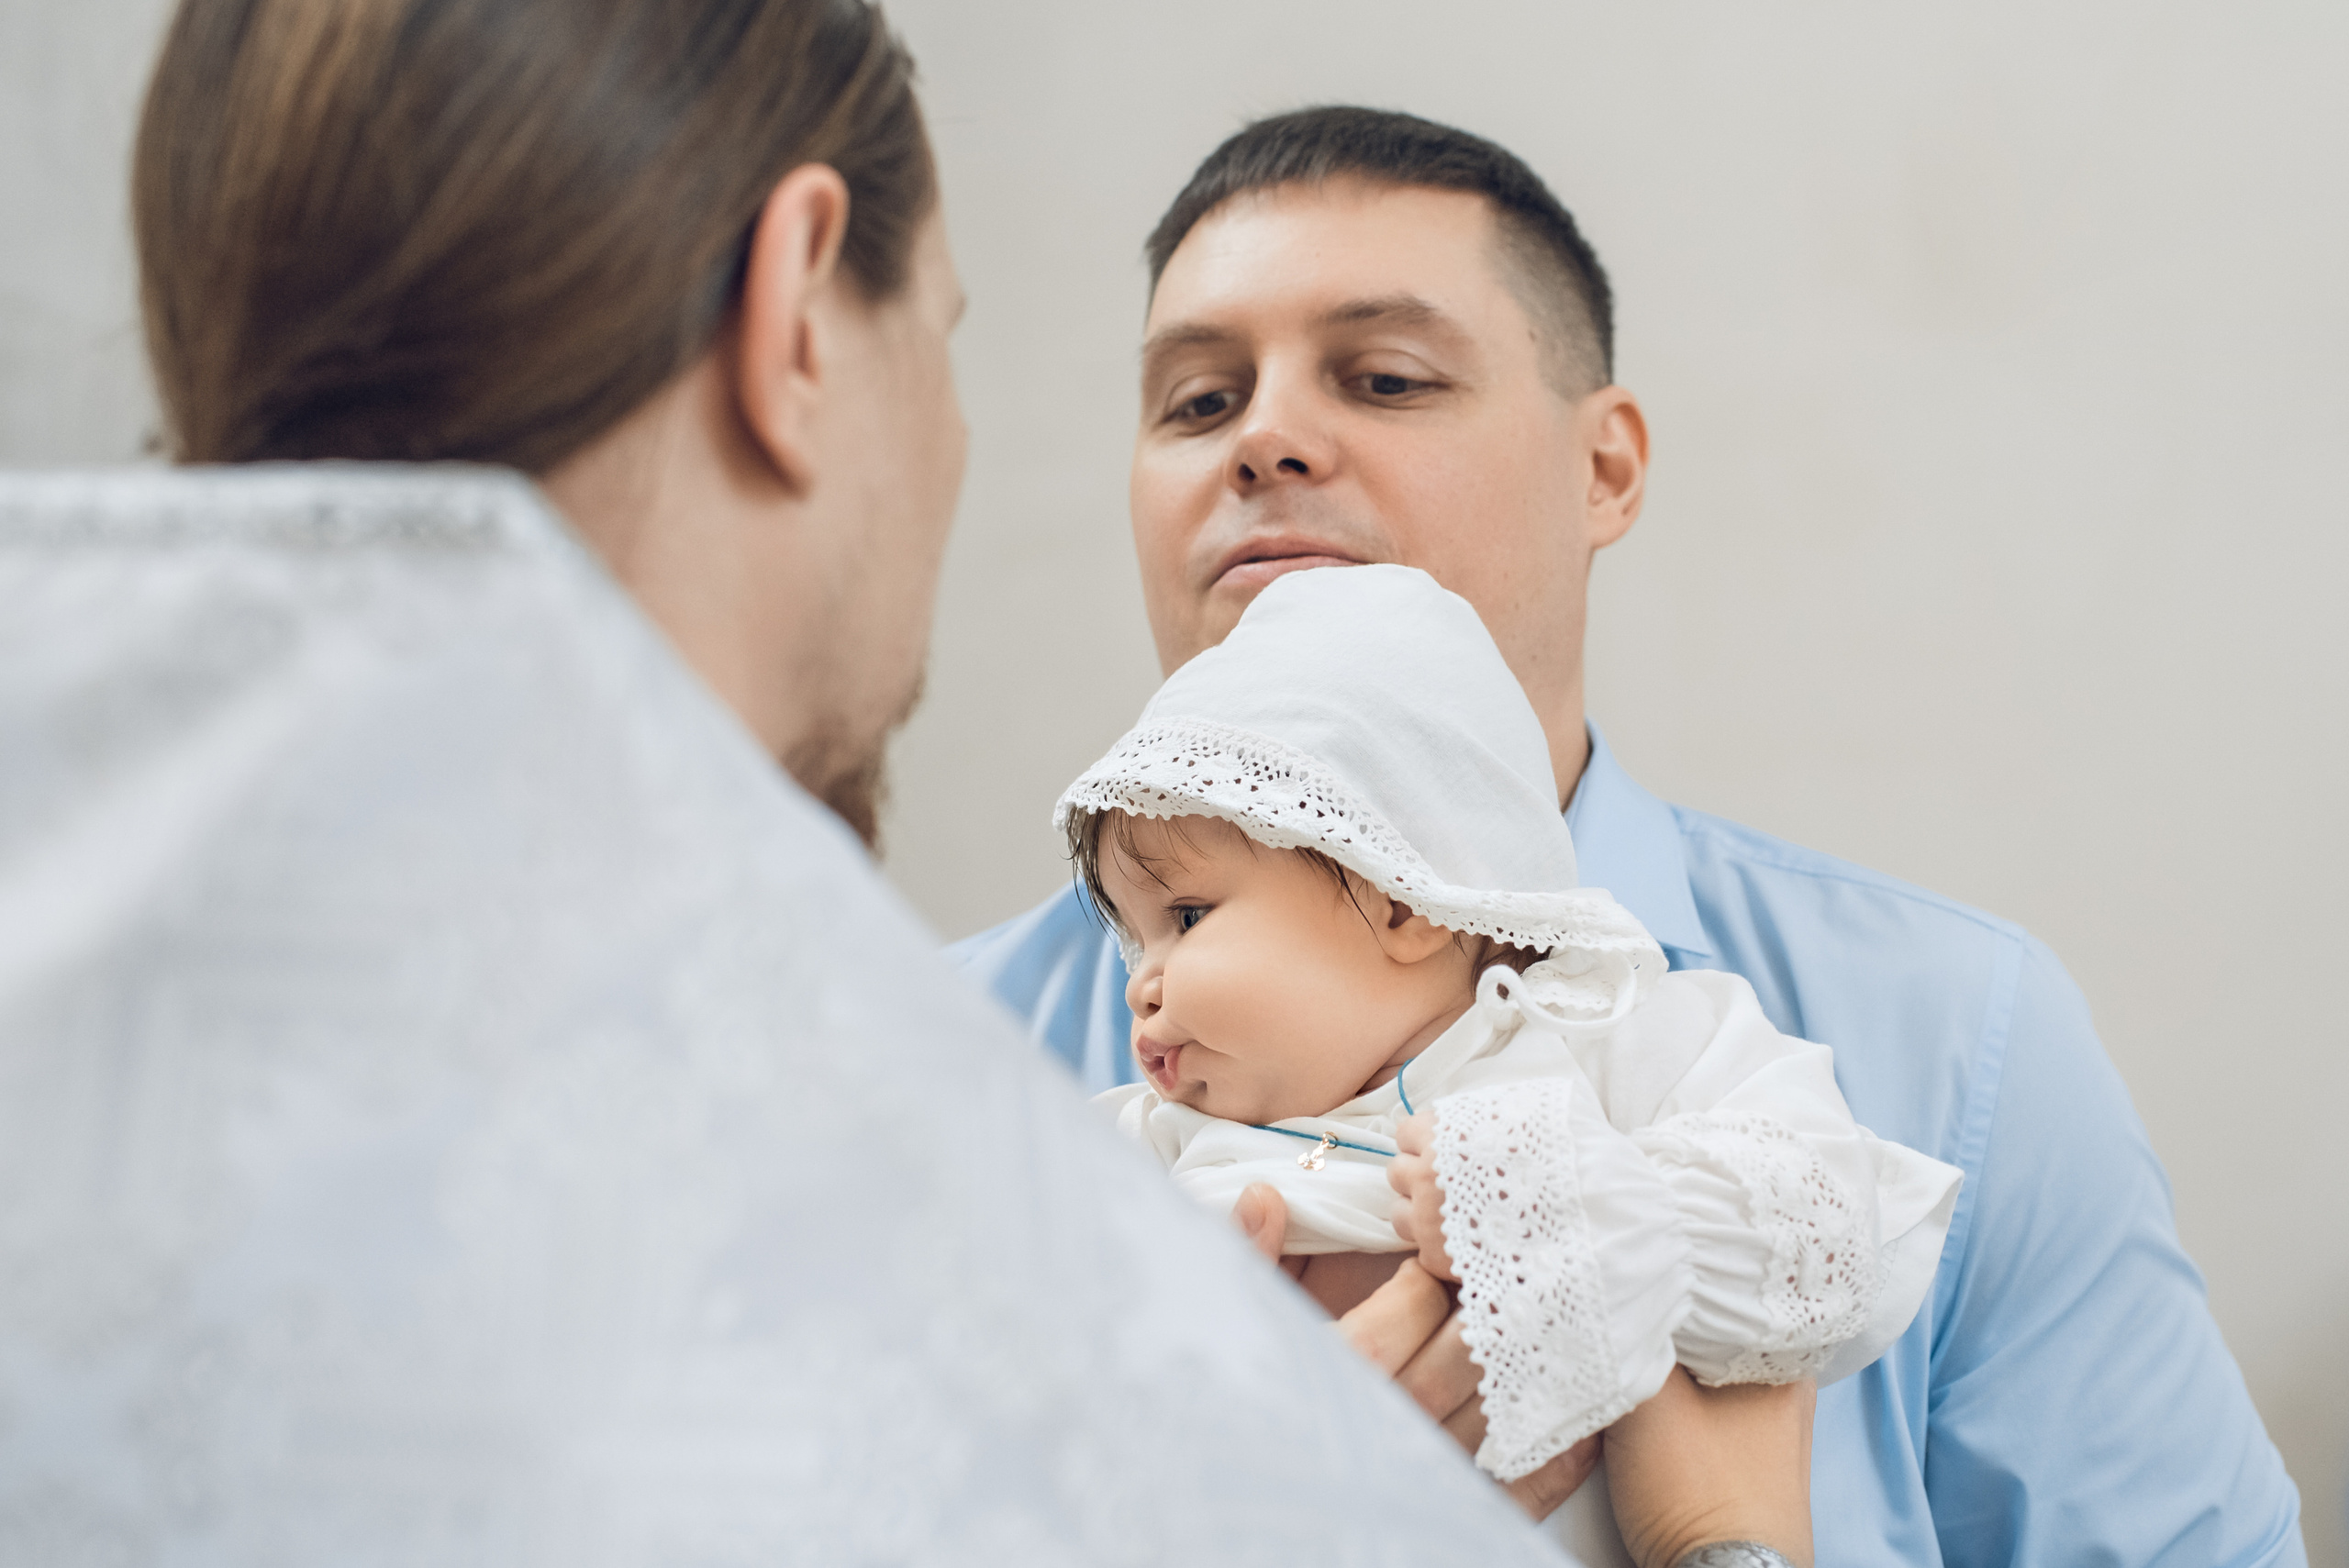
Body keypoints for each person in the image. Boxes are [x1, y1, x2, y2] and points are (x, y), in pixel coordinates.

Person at [0, 4, 1809, 1566]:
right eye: (938, 333)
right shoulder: (870, 1167)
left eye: (1384, 372)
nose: (1264, 440)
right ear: (797, 314)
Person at [955, 106, 2308, 1565]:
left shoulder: (1961, 1049)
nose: (1265, 438)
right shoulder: (932, 1065)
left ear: (1604, 470)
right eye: (1198, 403)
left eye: (1385, 375)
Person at [1063, 562, 1964, 1562]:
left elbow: (1825, 1230)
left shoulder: (1610, 1038)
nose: (1143, 980)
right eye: (1134, 939)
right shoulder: (1143, 1152)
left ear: (1403, 896)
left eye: (1186, 916)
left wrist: (1594, 1210)